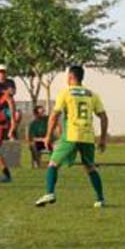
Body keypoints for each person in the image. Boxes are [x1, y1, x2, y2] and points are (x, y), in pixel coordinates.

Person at [35, 65, 108, 208]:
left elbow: (54, 115)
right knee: (90, 167)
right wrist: (103, 139)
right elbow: (104, 117)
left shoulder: (66, 93)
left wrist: (48, 136)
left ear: (70, 77)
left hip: (71, 135)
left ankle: (50, 193)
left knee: (53, 164)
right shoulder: (92, 94)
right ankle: (100, 199)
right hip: (88, 136)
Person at [0, 65, 22, 139]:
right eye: (0, 72)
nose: (2, 73)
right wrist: (6, 91)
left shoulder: (10, 82)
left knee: (17, 114)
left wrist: (1, 91)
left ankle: (13, 130)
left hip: (8, 108)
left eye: (3, 72)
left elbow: (13, 92)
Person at [28, 105, 52, 169]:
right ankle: (37, 163)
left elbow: (55, 122)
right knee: (32, 145)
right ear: (36, 114)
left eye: (44, 111)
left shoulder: (48, 119)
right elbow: (32, 138)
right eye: (41, 112)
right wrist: (43, 139)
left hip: (49, 142)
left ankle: (53, 163)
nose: (43, 113)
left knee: (56, 145)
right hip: (39, 143)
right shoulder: (33, 124)